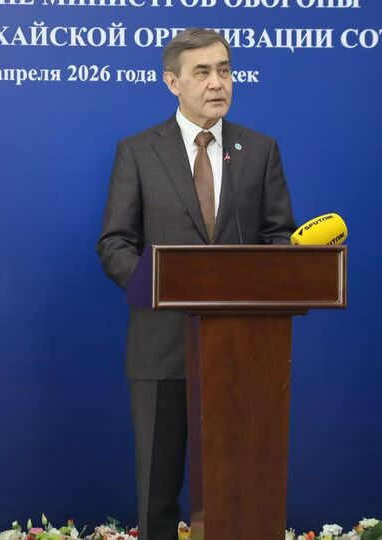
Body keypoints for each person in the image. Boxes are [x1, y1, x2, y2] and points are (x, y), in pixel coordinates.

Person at [96, 28, 296, 540]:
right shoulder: (139, 152)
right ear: (173, 82)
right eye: (202, 72)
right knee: (157, 490)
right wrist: (157, 290)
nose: (216, 83)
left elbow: (279, 238)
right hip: (161, 345)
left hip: (242, 352)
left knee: (237, 489)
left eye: (224, 70)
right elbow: (115, 244)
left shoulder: (260, 150)